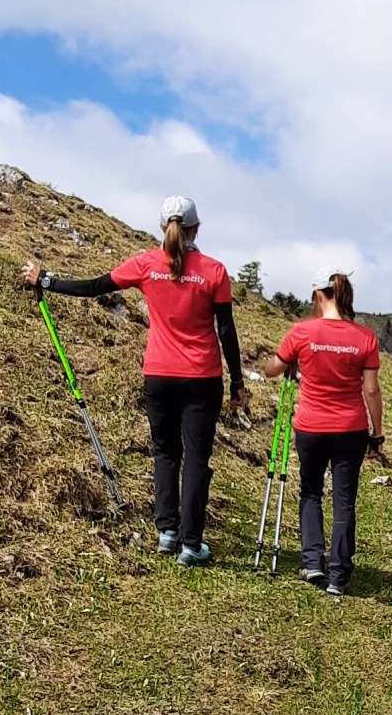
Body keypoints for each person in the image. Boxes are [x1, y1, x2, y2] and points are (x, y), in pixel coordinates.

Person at [21, 194, 248, 564]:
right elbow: (226, 330)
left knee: (165, 451)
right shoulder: (215, 271)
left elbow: (95, 286)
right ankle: (191, 544)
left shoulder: (146, 264)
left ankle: (167, 532)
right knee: (196, 458)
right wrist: (238, 382)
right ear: (196, 229)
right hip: (202, 378)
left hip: (159, 374)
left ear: (161, 227)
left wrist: (46, 280)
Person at [257, 272, 386, 596]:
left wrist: (271, 365)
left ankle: (313, 561)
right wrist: (377, 432)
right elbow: (371, 389)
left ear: (318, 295)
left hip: (311, 425)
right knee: (344, 501)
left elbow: (274, 368)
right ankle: (339, 576)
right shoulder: (365, 337)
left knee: (311, 491)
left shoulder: (302, 331)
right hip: (350, 428)